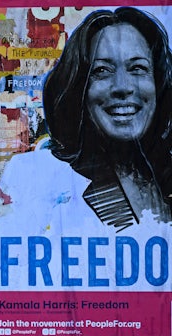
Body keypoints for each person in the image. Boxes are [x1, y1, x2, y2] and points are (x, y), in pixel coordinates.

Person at [42, 6, 172, 228]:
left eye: (138, 68)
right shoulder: (46, 179)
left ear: (158, 84)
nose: (122, 87)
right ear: (79, 88)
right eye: (102, 70)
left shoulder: (163, 171)